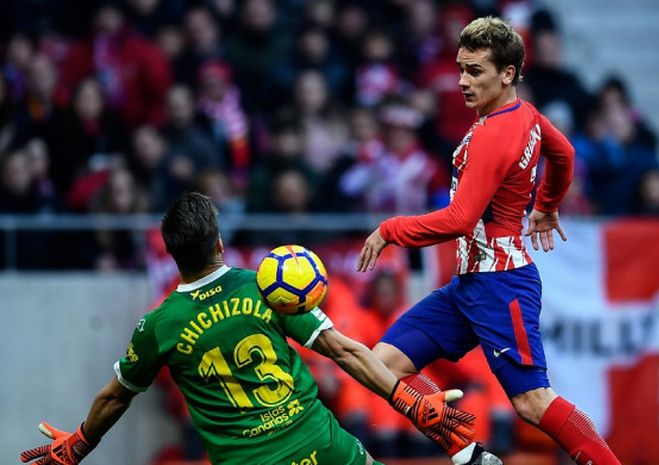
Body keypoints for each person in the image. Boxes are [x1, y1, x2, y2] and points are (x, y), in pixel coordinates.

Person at [20, 192, 483, 465]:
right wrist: (410, 402)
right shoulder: (264, 285)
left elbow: (114, 396)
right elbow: (343, 351)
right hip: (320, 444)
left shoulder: (157, 325)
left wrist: (79, 445)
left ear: (174, 257)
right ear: (220, 243)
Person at [357, 17, 622, 465]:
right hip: (468, 286)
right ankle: (470, 456)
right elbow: (564, 153)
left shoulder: (496, 133)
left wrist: (390, 230)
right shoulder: (525, 116)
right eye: (461, 68)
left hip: (502, 285)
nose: (461, 81)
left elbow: (460, 219)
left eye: (474, 70)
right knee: (381, 366)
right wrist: (548, 202)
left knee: (532, 402)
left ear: (508, 74)